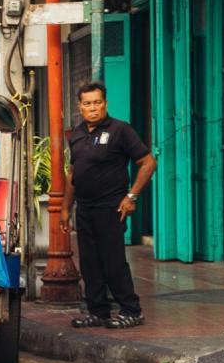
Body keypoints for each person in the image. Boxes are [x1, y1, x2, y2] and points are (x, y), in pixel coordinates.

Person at [60, 82, 157, 329]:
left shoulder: (120, 130)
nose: (93, 108)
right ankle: (98, 311)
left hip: (112, 207)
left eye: (97, 102)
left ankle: (131, 310)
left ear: (105, 104)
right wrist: (64, 209)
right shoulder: (78, 134)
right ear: (80, 107)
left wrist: (131, 197)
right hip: (85, 208)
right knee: (90, 263)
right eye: (87, 103)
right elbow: (73, 173)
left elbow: (148, 163)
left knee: (112, 262)